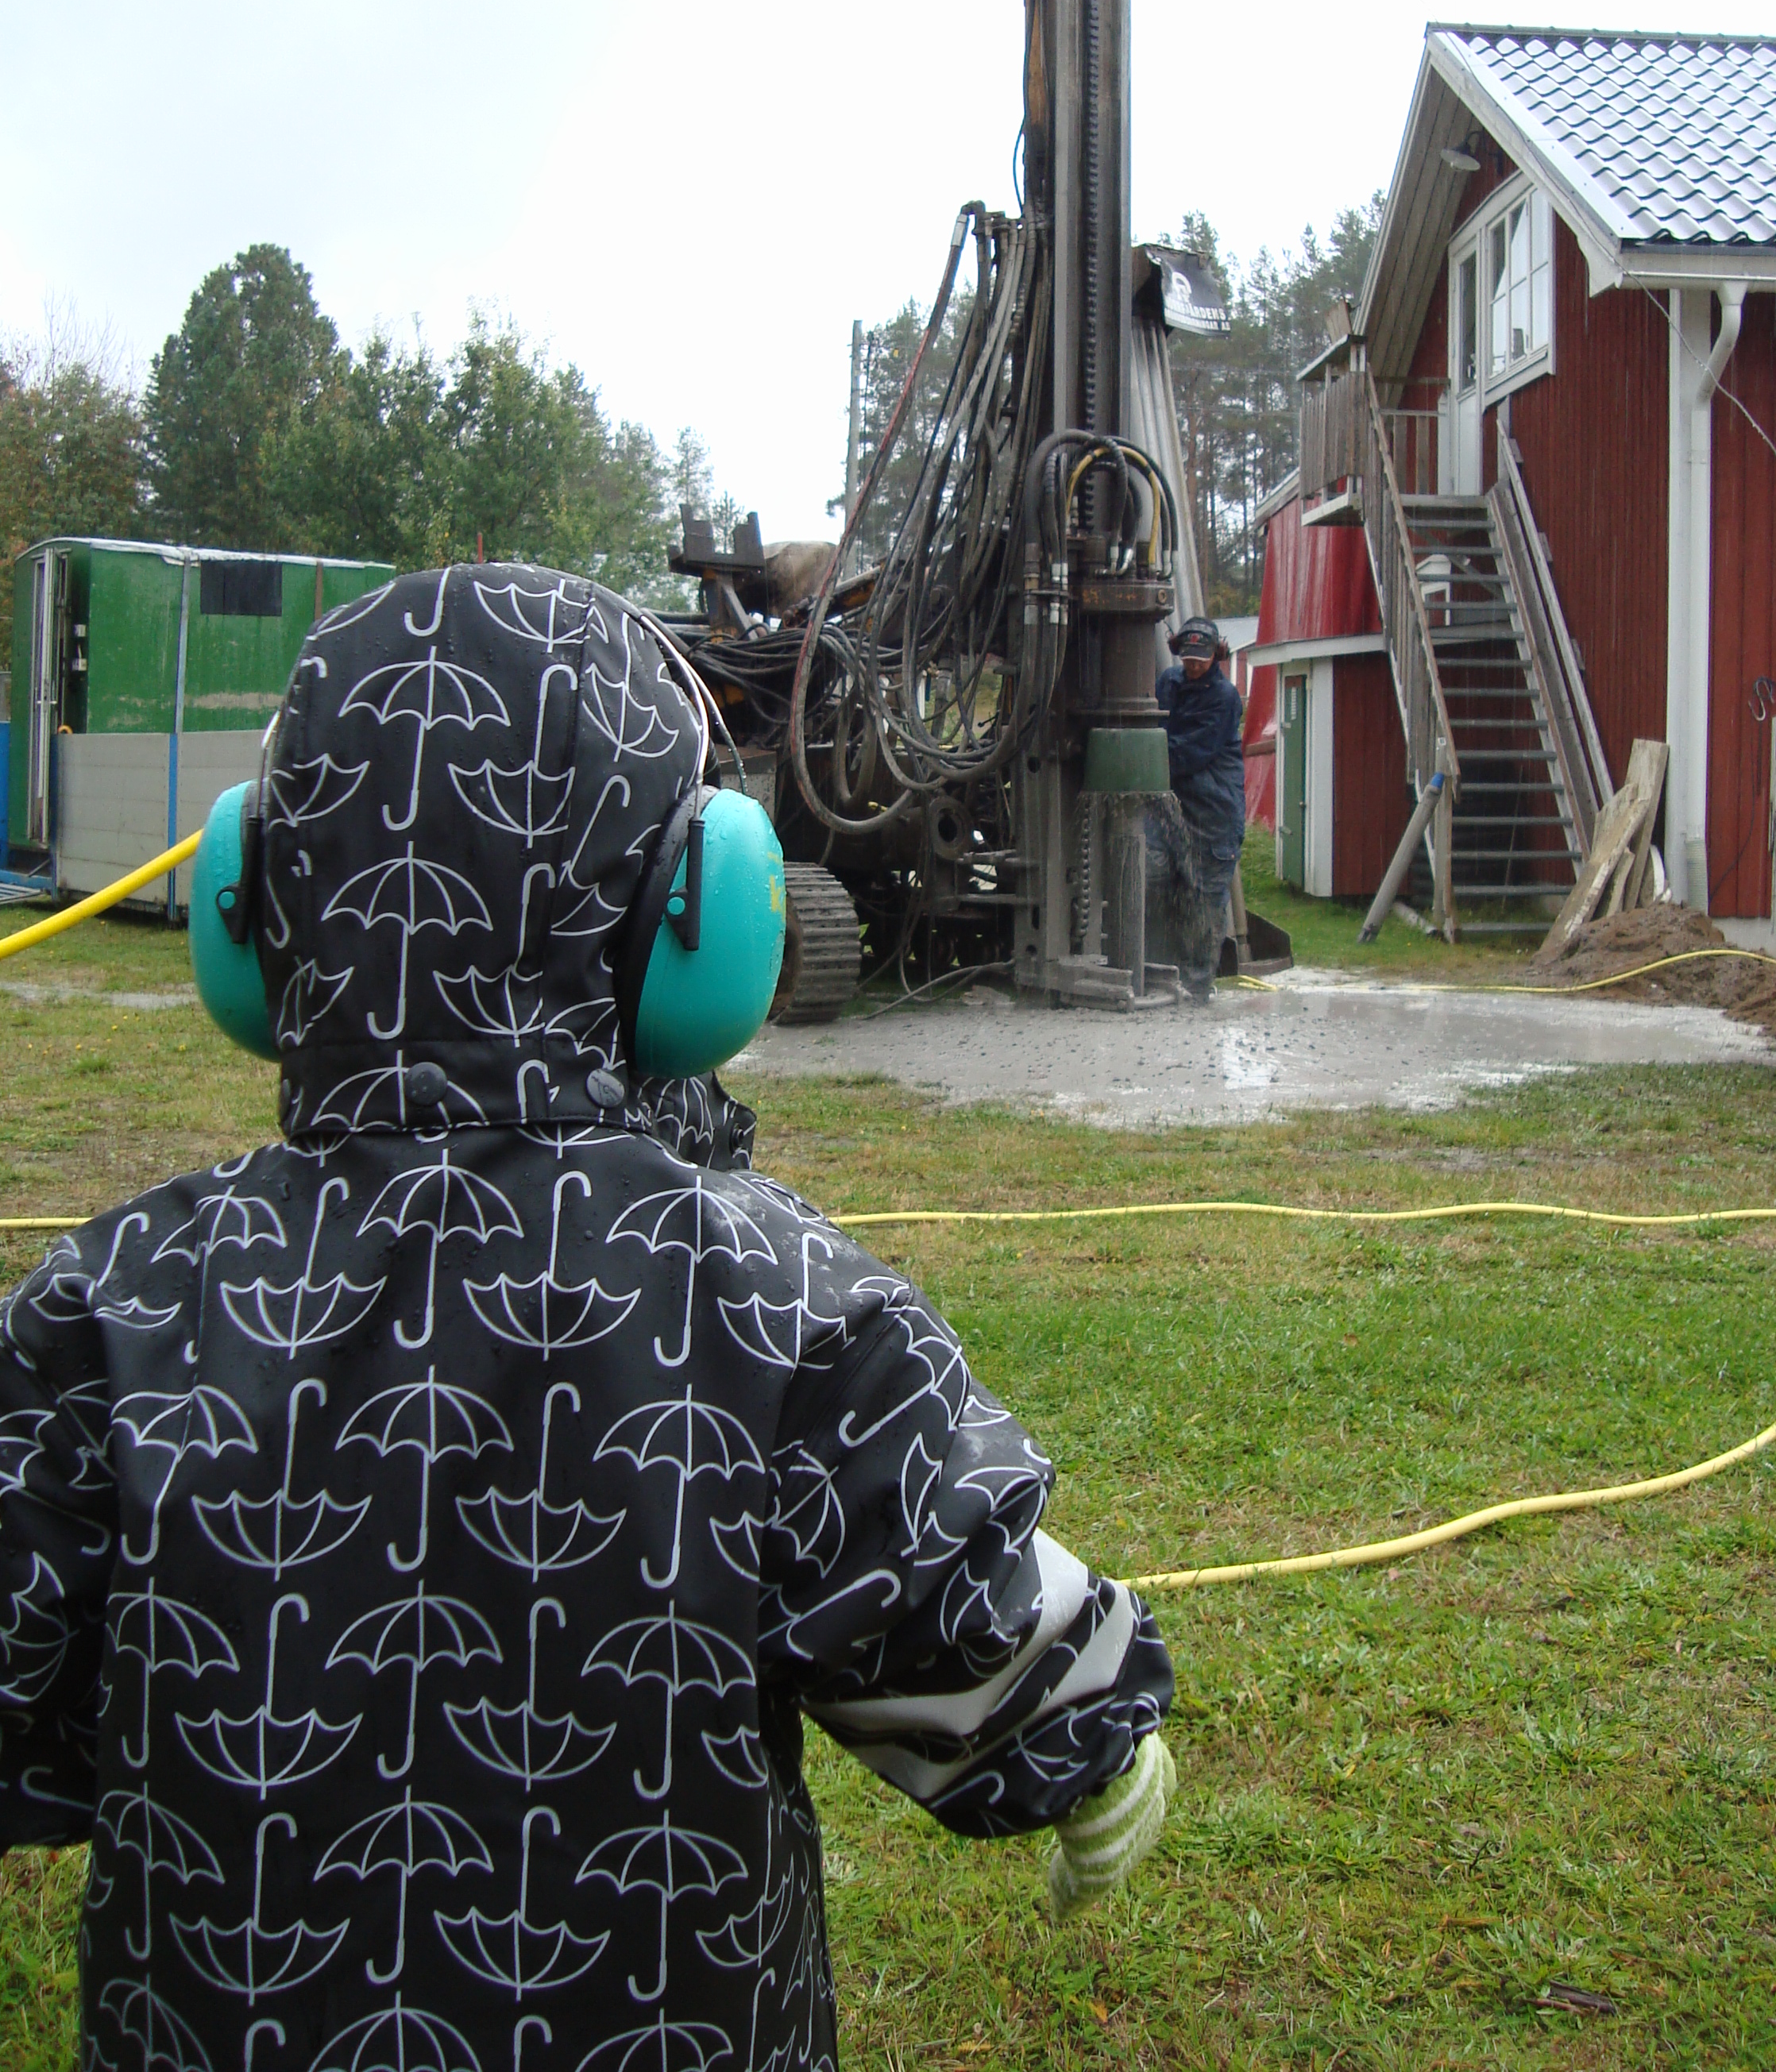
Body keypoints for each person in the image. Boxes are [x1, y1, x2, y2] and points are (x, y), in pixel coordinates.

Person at [0, 563, 1175, 2072]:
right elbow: (948, 1598)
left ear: (258, 902)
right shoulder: (767, 1294)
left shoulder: (118, 1300)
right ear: (697, 909)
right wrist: (1088, 1740)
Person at [1156, 615, 1246, 997]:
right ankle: (1171, 979)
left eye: (1201, 659)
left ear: (1217, 655)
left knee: (1205, 902)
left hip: (1214, 813)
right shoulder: (1168, 683)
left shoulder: (1224, 698)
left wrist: (1143, 754)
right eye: (1188, 659)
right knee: (1171, 895)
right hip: (1177, 808)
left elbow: (1189, 753)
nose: (1194, 666)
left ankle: (1197, 989)